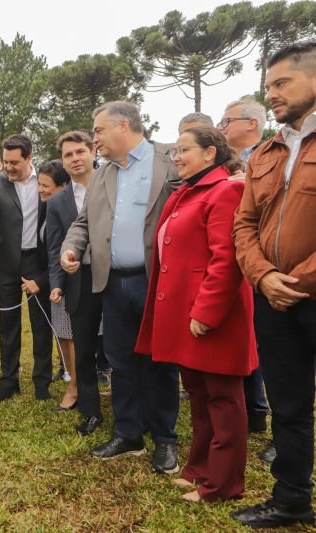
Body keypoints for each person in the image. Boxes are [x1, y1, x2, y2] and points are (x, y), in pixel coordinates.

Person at [136, 127, 257, 503]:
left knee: (223, 399)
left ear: (210, 153)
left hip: (210, 313)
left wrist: (207, 311)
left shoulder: (227, 190)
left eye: (184, 149)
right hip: (182, 313)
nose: (176, 156)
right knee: (199, 394)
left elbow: (226, 260)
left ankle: (223, 485)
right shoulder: (187, 191)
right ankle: (200, 470)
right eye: (175, 150)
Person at [61, 101, 182, 474]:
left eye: (98, 130)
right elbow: (83, 222)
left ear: (123, 126)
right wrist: (71, 247)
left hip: (156, 281)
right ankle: (129, 433)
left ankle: (164, 438)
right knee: (121, 360)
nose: (94, 137)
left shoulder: (170, 159)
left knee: (160, 361)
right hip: (113, 283)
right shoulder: (101, 174)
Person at [232, 40, 316, 529]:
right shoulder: (267, 150)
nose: (273, 96)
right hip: (273, 299)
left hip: (306, 292)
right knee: (287, 405)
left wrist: (297, 280)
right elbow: (244, 225)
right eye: (268, 87)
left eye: (282, 83)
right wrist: (263, 276)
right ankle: (291, 500)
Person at [0, 134, 53, 401]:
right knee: (8, 324)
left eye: (14, 162)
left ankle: (42, 384)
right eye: (5, 161)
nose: (8, 168)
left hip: (36, 260)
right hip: (5, 261)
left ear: (29, 158)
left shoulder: (44, 180)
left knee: (41, 325)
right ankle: (9, 381)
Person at [218, 96, 274, 459]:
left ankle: (273, 424)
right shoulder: (228, 165)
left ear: (251, 124)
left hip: (272, 267)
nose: (222, 128)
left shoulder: (270, 157)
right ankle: (253, 411)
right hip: (241, 265)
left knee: (273, 350)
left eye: (227, 122)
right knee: (246, 339)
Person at [48, 131, 105, 436]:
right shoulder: (58, 202)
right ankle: (91, 410)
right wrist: (57, 282)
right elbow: (55, 245)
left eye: (79, 151)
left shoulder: (114, 184)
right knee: (82, 349)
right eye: (68, 155)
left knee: (120, 347)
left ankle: (129, 406)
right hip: (78, 280)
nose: (75, 158)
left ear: (93, 151)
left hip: (115, 276)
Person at [38, 161, 76, 411]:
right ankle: (75, 383)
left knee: (75, 337)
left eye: (46, 185)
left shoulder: (71, 208)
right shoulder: (47, 206)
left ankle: (77, 386)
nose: (40, 190)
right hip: (58, 282)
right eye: (39, 184)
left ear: (63, 186)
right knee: (63, 334)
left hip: (75, 277)